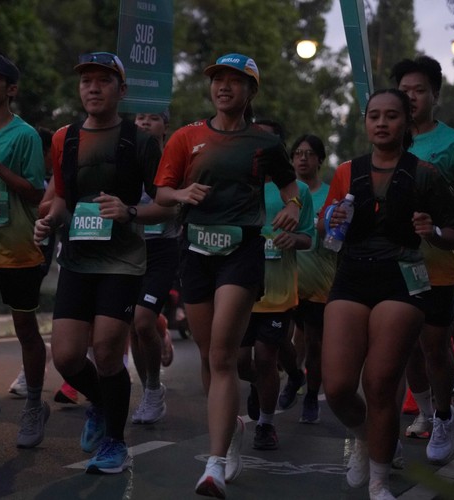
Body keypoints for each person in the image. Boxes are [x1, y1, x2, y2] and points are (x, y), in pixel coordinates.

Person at [153, 53, 301, 498]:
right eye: (218, 79)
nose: (224, 87)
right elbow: (162, 193)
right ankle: (231, 428)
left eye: (235, 81)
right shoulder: (186, 137)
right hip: (196, 251)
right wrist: (182, 194)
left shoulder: (264, 143)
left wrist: (293, 207)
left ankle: (214, 465)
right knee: (208, 356)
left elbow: (289, 187)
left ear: (251, 91)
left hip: (241, 251)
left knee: (222, 355)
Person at [318, 89, 454, 500]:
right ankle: (368, 437)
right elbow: (324, 225)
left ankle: (379, 481)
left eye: (392, 116)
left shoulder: (425, 174)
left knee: (380, 383)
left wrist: (432, 231)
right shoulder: (347, 171)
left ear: (406, 123)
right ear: (365, 122)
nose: (382, 123)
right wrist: (331, 216)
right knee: (338, 387)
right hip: (352, 275)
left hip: (402, 277)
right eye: (374, 116)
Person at [33, 51, 163, 474]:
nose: (93, 87)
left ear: (121, 90)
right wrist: (49, 221)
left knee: (106, 350)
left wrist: (129, 211)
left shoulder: (140, 141)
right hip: (78, 258)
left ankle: (115, 443)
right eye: (86, 80)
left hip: (122, 260)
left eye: (103, 80)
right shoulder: (65, 138)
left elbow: (166, 205)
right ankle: (102, 403)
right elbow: (62, 198)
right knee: (67, 358)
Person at [391, 56, 454, 462]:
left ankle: (445, 415)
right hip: (396, 259)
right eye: (405, 90)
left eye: (419, 90)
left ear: (435, 96)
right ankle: (427, 412)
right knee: (405, 347)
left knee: (433, 346)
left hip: (440, 259)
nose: (412, 97)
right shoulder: (390, 138)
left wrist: (444, 189)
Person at [237, 118, 314, 450]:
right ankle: (264, 384)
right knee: (242, 362)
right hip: (240, 286)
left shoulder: (298, 192)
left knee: (267, 356)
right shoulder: (238, 183)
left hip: (279, 291)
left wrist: (292, 239)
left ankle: (266, 424)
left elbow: (307, 239)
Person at [0, 54, 49, 448]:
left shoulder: (24, 136)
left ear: (10, 89)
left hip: (17, 248)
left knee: (25, 329)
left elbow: (37, 194)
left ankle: (34, 404)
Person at [130, 108, 181, 425]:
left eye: (153, 117)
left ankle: (151, 389)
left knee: (142, 320)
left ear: (165, 125)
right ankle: (150, 388)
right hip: (129, 248)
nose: (145, 122)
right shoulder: (126, 159)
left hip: (162, 250)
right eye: (139, 117)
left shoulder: (175, 161)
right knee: (134, 327)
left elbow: (177, 206)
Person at [286, 134, 336, 424]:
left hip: (319, 281)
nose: (302, 158)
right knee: (281, 340)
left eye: (309, 153)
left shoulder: (331, 195)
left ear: (320, 160)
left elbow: (340, 237)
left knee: (314, 342)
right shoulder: (283, 193)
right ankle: (294, 376)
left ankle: (311, 396)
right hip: (284, 280)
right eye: (297, 153)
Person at [9, 127, 54, 399]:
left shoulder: (52, 185)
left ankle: (31, 376)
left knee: (23, 319)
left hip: (35, 255)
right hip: (5, 251)